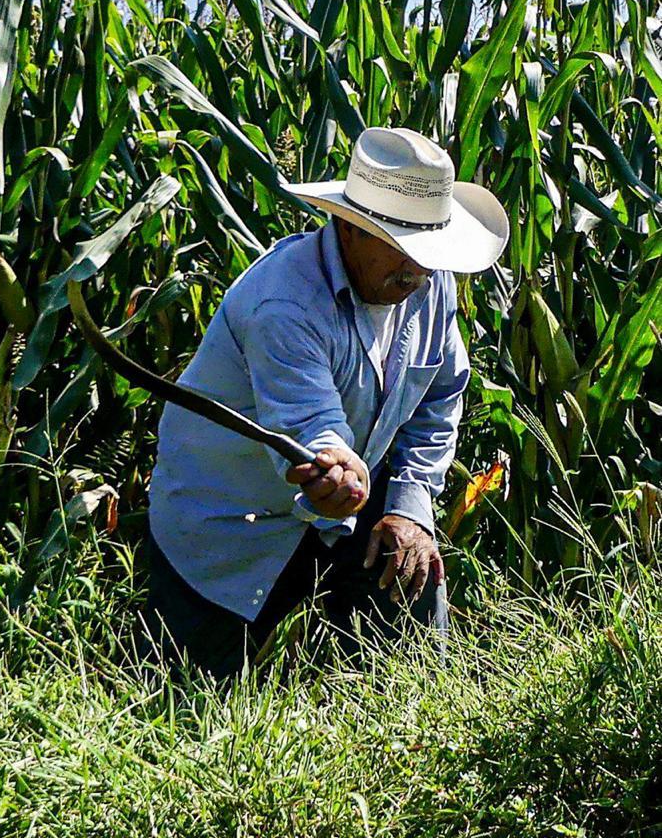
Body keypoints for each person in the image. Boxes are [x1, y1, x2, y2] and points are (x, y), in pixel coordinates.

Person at [144, 127, 509, 681]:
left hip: (348, 505)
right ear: (349, 227)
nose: (421, 270)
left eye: (430, 251)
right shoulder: (283, 304)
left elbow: (439, 395)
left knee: (411, 588)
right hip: (228, 525)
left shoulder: (428, 284)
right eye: (405, 249)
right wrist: (335, 468)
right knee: (199, 706)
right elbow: (308, 423)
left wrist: (408, 505)